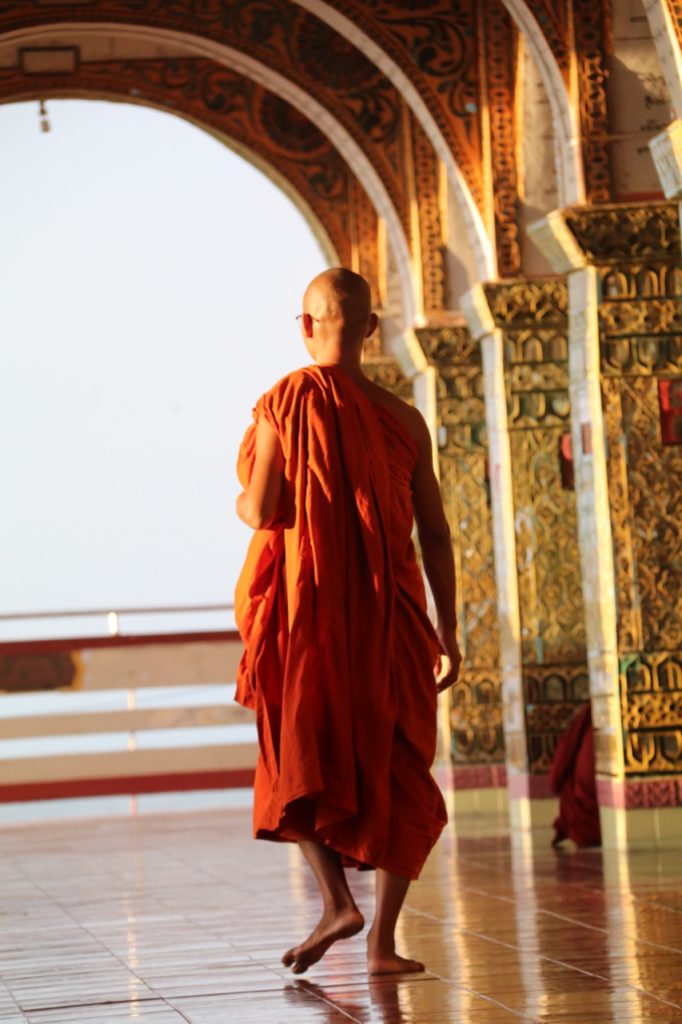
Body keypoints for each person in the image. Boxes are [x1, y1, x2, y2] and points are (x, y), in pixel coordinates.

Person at [234, 267, 461, 976]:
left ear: (305, 326)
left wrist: (244, 495)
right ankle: (381, 943)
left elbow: (263, 508)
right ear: (372, 328)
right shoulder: (405, 419)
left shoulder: (285, 402)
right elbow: (437, 532)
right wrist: (448, 630)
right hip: (393, 624)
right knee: (401, 768)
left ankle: (337, 900)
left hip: (311, 625)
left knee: (296, 757)